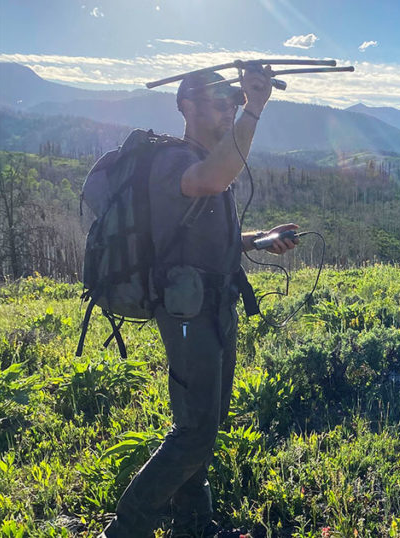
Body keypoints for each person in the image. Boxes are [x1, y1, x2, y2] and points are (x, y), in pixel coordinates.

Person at [100, 66, 298, 537]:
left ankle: (194, 525)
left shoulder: (200, 158)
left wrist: (259, 240)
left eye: (230, 102)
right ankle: (126, 529)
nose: (225, 108)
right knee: (194, 433)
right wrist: (254, 109)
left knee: (204, 426)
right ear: (185, 106)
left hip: (214, 305)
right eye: (216, 102)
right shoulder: (173, 161)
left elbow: (206, 238)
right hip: (187, 313)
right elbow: (213, 178)